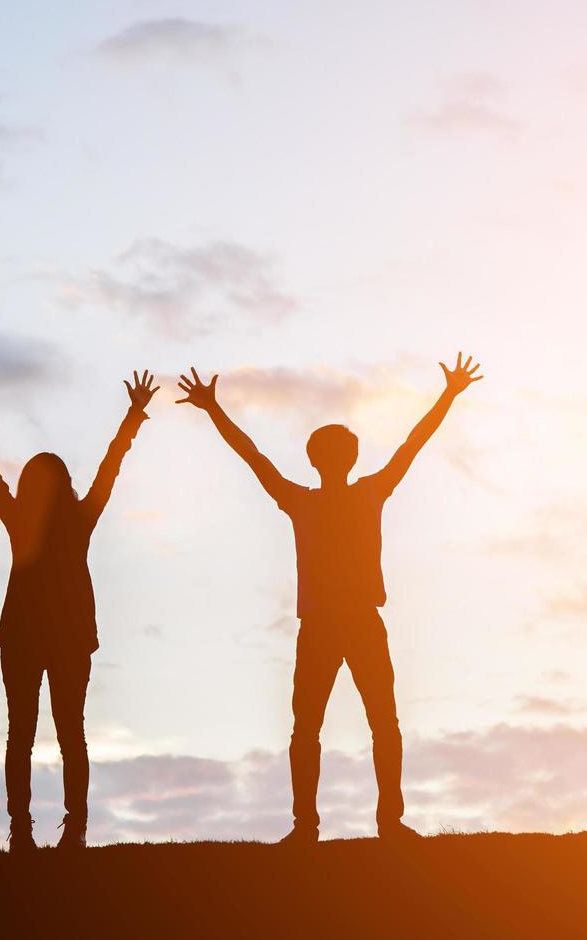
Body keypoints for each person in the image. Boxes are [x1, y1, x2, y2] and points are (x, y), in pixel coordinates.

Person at [177, 353, 483, 843]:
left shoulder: (321, 499)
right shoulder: (350, 495)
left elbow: (256, 457)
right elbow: (410, 446)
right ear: (338, 459)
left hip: (344, 622)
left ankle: (348, 824)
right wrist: (447, 395)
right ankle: (340, 825)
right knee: (351, 726)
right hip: (335, 624)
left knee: (349, 726)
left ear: (321, 460)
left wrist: (215, 410)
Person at [0, 371, 158, 852]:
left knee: (32, 735)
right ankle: (54, 829)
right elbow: (107, 468)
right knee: (60, 733)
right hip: (47, 638)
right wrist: (132, 416)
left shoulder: (34, 520)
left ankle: (34, 830)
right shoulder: (71, 519)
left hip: (38, 638)